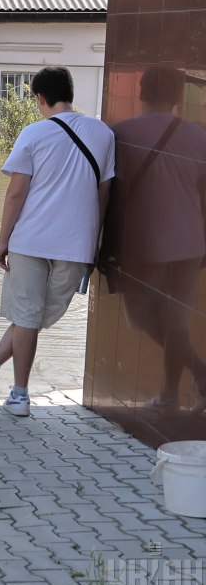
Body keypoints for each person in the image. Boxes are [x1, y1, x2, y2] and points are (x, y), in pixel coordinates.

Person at [0, 66, 116, 416]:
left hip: (29, 240)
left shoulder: (33, 133)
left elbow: (16, 193)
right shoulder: (103, 133)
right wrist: (96, 238)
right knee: (35, 317)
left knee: (28, 317)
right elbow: (104, 192)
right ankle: (1, 378)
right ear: (70, 94)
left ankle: (8, 385)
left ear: (39, 98)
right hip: (76, 244)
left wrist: (2, 241)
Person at [106, 66, 206, 413]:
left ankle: (192, 378)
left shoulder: (123, 133)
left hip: (144, 243)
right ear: (178, 97)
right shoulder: (199, 136)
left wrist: (107, 244)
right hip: (190, 243)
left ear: (141, 93)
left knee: (140, 315)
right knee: (177, 320)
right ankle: (174, 391)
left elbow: (113, 194)